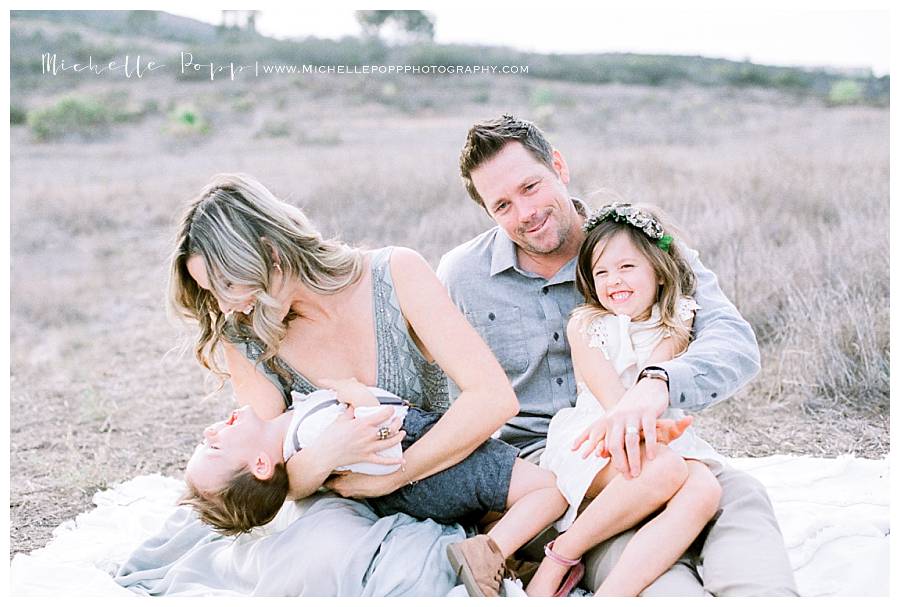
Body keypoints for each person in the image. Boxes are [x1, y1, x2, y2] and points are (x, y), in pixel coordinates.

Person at [436, 114, 798, 595]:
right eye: (502, 204)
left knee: (740, 497)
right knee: (661, 577)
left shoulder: (639, 246)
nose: (524, 212)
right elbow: (436, 391)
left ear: (559, 167)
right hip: (551, 476)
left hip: (654, 445)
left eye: (531, 186)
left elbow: (732, 340)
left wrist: (658, 383)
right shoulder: (462, 276)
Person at [167, 173, 529, 594]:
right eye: (212, 293)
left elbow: (494, 400)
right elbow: (271, 480)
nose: (226, 306)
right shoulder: (244, 335)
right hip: (340, 508)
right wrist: (327, 453)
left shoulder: (394, 273)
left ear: (270, 253)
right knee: (323, 556)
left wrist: (396, 475)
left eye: (228, 284)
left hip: (444, 474)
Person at [180, 377, 691, 596]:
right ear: (264, 465)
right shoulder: (313, 434)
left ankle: (511, 549)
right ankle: (491, 552)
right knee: (549, 491)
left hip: (424, 474)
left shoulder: (297, 431)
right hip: (433, 464)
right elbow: (379, 429)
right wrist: (354, 391)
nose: (210, 430)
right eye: (216, 447)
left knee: (527, 495)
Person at [527, 203, 724, 596]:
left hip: (654, 432)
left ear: (657, 269)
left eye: (626, 267)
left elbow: (653, 381)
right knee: (666, 470)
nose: (613, 280)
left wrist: (652, 428)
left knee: (705, 488)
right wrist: (642, 426)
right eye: (601, 272)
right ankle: (561, 556)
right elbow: (617, 402)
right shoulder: (585, 324)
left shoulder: (677, 317)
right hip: (594, 434)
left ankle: (613, 594)